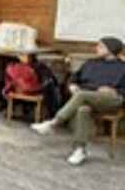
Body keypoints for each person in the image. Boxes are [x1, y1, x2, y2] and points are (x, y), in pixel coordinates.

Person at [31, 36, 125, 165]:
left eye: (101, 46)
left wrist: (114, 91)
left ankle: (53, 123)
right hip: (88, 96)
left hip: (112, 99)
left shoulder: (122, 67)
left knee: (81, 95)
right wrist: (72, 85)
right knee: (82, 109)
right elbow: (74, 78)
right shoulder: (91, 63)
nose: (96, 48)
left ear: (111, 49)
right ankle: (80, 150)